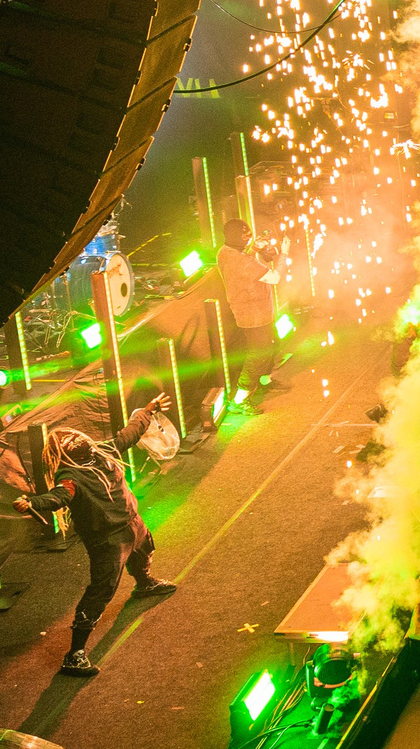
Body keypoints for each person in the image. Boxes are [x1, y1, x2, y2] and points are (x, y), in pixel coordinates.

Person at [18, 396, 178, 676]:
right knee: (101, 591)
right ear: (68, 454)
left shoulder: (103, 451)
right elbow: (58, 497)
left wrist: (148, 409)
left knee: (144, 549)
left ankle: (144, 583)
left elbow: (131, 432)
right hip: (107, 540)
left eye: (77, 439)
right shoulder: (70, 476)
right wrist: (33, 503)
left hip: (131, 521)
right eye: (72, 443)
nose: (80, 441)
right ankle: (74, 654)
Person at [216, 216, 284, 396]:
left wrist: (253, 249)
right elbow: (274, 277)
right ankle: (241, 398)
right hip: (254, 316)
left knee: (272, 345)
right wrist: (284, 253)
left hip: (258, 313)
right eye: (245, 236)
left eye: (249, 235)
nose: (248, 238)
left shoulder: (225, 252)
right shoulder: (242, 261)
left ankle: (264, 381)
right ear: (235, 237)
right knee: (258, 354)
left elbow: (243, 265)